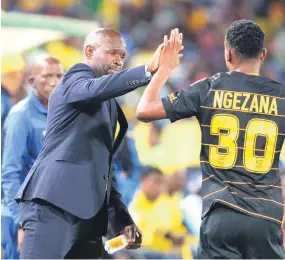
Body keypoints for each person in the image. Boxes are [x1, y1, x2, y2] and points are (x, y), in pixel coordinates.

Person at [135, 20, 285, 259]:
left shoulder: (208, 89)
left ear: (227, 53)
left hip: (220, 214)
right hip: (266, 217)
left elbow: (144, 110)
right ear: (263, 54)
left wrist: (165, 70)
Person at [15, 28, 181, 259]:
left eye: (122, 55)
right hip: (53, 207)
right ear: (89, 51)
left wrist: (121, 220)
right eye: (113, 52)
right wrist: (148, 69)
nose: (119, 60)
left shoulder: (109, 103)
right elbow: (96, 88)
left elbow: (104, 169)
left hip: (88, 220)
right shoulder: (74, 79)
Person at [1, 55, 64, 260]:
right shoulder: (21, 116)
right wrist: (22, 222)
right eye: (47, 76)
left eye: (59, 75)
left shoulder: (62, 112)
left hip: (51, 216)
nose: (54, 81)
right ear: (31, 81)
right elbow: (10, 173)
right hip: (22, 218)